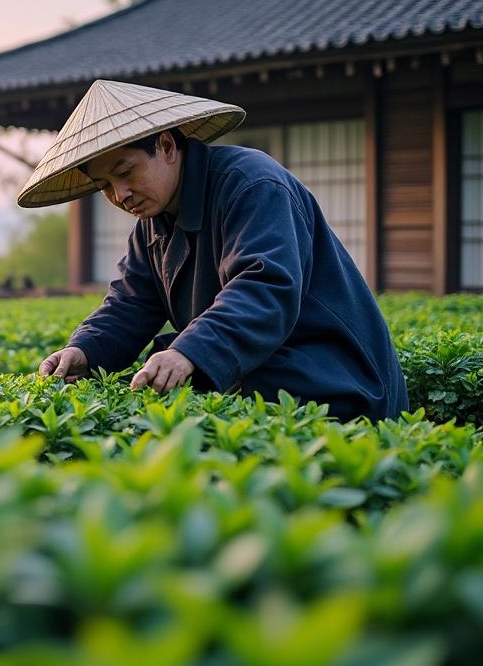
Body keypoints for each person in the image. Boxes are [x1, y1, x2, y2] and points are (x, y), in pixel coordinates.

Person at [23, 80, 407, 422]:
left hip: (334, 382)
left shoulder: (252, 185)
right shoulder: (151, 221)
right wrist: (84, 349)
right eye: (104, 185)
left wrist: (190, 352)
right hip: (265, 377)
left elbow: (264, 287)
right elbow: (131, 303)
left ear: (167, 146)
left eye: (124, 172)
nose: (119, 195)